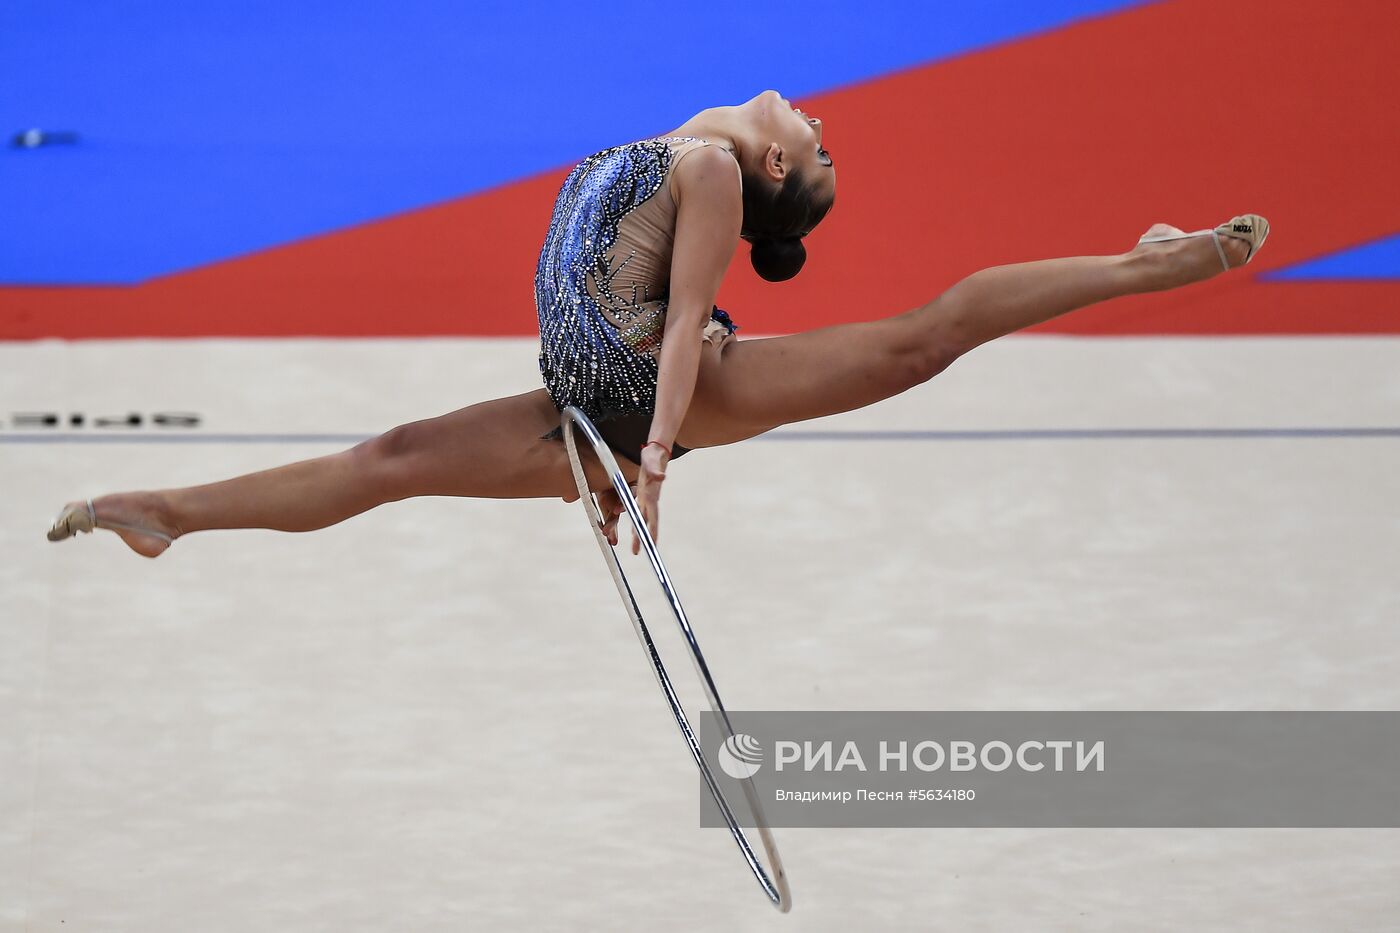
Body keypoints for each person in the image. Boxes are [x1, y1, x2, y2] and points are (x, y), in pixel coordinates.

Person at [45, 89, 1267, 557]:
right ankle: (165, 514)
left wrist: (655, 458)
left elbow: (684, 324)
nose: (818, 122)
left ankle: (1140, 265)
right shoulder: (682, 135)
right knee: (393, 459)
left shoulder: (721, 175)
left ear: (775, 168)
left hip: (645, 390)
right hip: (582, 401)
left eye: (820, 153)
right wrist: (603, 449)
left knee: (917, 338)